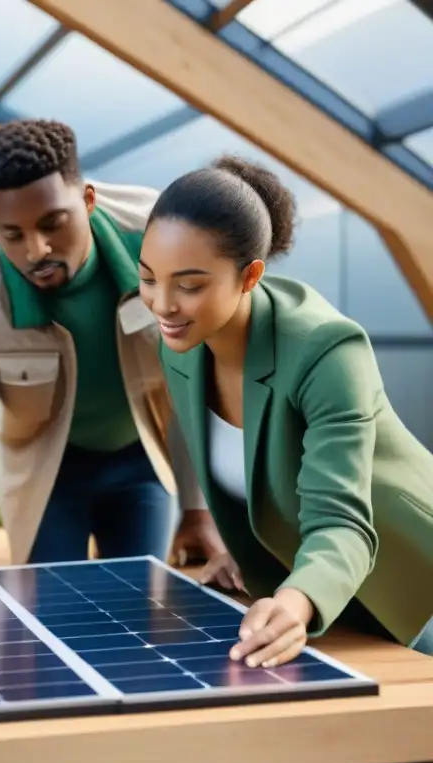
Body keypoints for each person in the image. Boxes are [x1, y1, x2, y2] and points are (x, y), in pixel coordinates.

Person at [137, 154, 433, 667]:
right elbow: (258, 479)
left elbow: (343, 522)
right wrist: (244, 551)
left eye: (188, 285)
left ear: (250, 276)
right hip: (316, 584)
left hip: (409, 582)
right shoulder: (181, 345)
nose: (162, 304)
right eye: (148, 278)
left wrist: (294, 604)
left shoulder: (327, 351)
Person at [0, 118, 224, 577]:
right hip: (47, 477)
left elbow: (205, 382)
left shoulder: (166, 243)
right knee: (56, 616)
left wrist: (199, 509)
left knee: (138, 612)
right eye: (12, 234)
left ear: (88, 200)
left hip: (142, 462)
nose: (36, 250)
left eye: (53, 224)